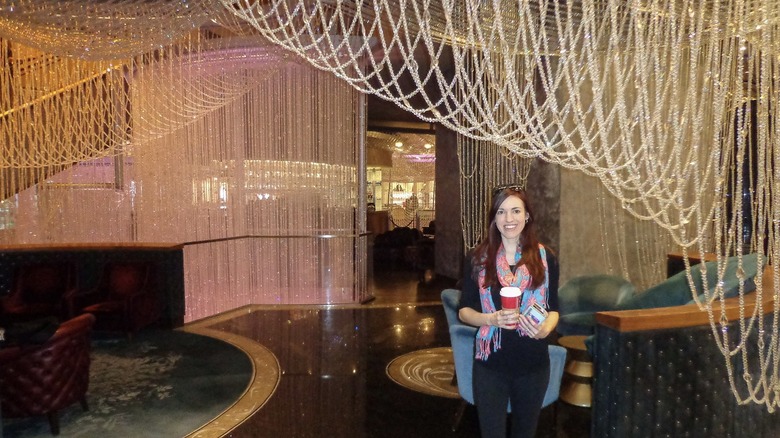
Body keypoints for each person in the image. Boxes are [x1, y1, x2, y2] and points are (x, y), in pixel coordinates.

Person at [458, 184, 560, 438]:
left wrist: (546, 327)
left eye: (516, 211)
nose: (509, 219)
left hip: (533, 365)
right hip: (491, 365)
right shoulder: (478, 259)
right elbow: (464, 311)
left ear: (527, 216)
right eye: (501, 212)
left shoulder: (546, 259)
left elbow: (554, 309)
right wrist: (490, 318)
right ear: (494, 219)